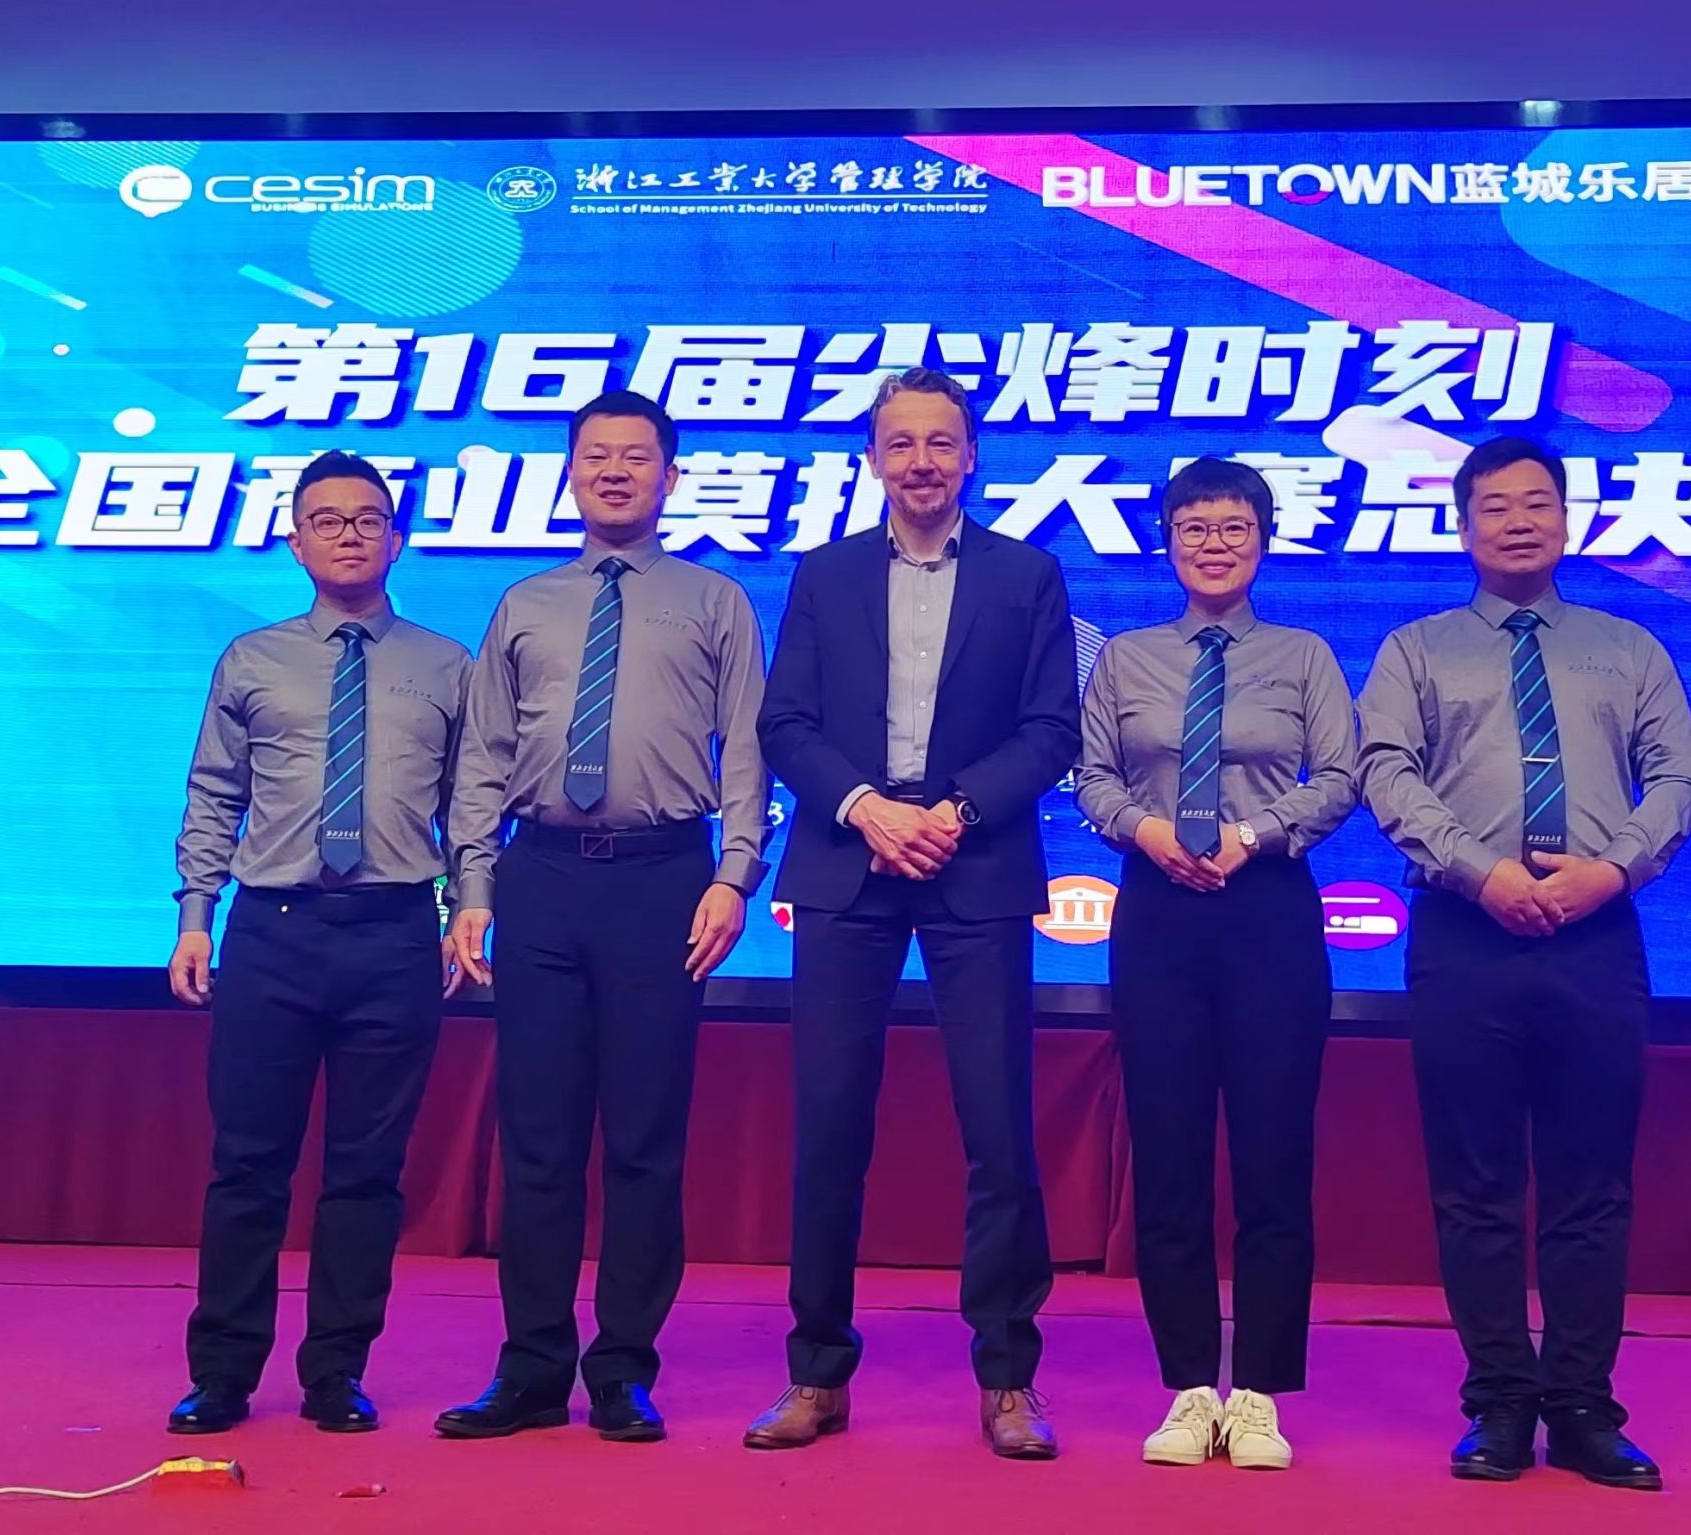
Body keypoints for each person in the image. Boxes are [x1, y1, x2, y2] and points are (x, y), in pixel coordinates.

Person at [1357, 435, 1691, 1492]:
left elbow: (1679, 777)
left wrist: (1612, 870)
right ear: (1463, 526)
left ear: (1566, 519)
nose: (1518, 520)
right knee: (1475, 1184)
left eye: (1537, 502)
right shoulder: (1415, 649)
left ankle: (1585, 1405)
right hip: (1464, 935)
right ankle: (1499, 1402)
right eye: (1495, 506)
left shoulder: (1627, 647)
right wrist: (1480, 873)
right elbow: (1385, 773)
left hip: (1596, 934)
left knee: (1590, 1183)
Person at [747, 367, 1080, 1459]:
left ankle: (1008, 1379)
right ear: (874, 459)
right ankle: (815, 1372)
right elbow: (785, 722)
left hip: (974, 865)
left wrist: (952, 811)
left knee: (999, 1131)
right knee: (828, 1125)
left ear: (971, 455)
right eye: (901, 443)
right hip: (847, 863)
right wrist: (865, 808)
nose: (922, 462)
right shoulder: (825, 573)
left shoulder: (1027, 574)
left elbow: (1051, 728)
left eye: (942, 442)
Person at [436, 390, 769, 1444]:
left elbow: (747, 748)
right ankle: (531, 1368)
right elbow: (483, 756)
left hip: (662, 882)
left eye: (636, 456)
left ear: (672, 476)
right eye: (595, 456)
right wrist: (472, 889)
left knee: (643, 1141)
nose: (614, 471)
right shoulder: (524, 602)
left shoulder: (715, 600)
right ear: (572, 472)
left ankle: (622, 1368)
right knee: (537, 1140)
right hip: (539, 879)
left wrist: (735, 873)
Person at [166, 450, 470, 1435]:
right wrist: (194, 915)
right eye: (327, 519)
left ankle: (337, 1370)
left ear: (397, 537)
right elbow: (214, 792)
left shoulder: (447, 665)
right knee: (247, 1165)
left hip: (395, 936)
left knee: (367, 1173)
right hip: (273, 933)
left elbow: (470, 808)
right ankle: (221, 1374)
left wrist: (469, 906)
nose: (349, 533)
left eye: (368, 517)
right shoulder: (251, 659)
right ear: (295, 541)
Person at [1076, 457, 1357, 1470]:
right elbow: (1092, 775)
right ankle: (1190, 1386)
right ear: (1167, 541)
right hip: (1158, 909)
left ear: (1263, 541)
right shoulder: (1125, 658)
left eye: (1234, 527)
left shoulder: (1303, 655)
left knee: (1273, 1157)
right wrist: (1148, 831)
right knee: (1169, 1156)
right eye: (1193, 527)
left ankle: (1262, 1391)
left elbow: (1340, 775)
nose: (1213, 543)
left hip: (1268, 907)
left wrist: (1253, 834)